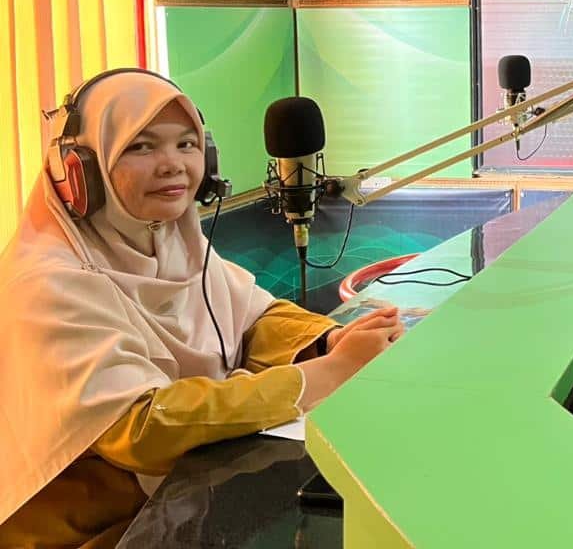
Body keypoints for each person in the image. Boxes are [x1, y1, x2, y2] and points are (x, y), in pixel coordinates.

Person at [0, 69, 405, 547]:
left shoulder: (171, 240)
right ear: (79, 171)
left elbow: (252, 318)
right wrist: (322, 375)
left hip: (177, 514)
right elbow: (140, 428)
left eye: (187, 145)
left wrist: (328, 341)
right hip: (92, 535)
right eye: (141, 147)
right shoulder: (46, 284)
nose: (172, 165)